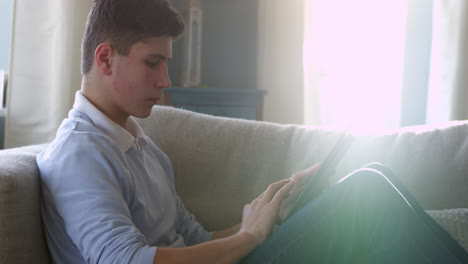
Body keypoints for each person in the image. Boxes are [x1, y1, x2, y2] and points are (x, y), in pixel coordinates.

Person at [36, 0, 468, 263]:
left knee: (374, 177)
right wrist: (248, 238)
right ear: (106, 58)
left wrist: (271, 214)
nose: (166, 80)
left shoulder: (141, 148)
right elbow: (127, 261)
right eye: (153, 63)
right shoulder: (80, 154)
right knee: (366, 193)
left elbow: (199, 242)